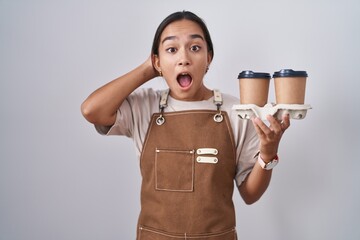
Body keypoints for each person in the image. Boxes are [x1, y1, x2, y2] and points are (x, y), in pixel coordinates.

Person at [81, 10, 290, 240]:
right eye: (171, 49)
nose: (184, 58)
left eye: (195, 48)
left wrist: (268, 154)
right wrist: (148, 69)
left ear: (209, 58)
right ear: (157, 61)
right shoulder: (144, 108)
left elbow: (251, 194)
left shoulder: (236, 112)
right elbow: (92, 110)